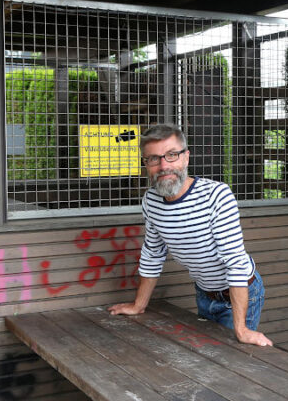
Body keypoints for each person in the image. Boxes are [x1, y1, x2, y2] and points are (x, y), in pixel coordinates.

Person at [108, 123, 273, 347]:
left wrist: (242, 330)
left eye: (171, 155)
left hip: (242, 292)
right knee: (209, 357)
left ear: (186, 157)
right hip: (204, 293)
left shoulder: (217, 196)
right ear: (146, 164)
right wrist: (138, 306)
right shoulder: (151, 201)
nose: (164, 166)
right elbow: (152, 255)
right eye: (154, 159)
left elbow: (235, 264)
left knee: (230, 359)